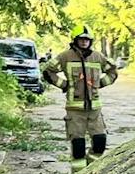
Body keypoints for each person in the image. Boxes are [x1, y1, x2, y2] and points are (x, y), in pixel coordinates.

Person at [42, 27, 119, 162]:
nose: (84, 42)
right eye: (81, 39)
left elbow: (112, 72)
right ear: (75, 40)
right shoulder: (66, 56)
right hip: (74, 110)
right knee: (78, 146)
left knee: (100, 142)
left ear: (91, 41)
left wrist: (99, 84)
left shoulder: (97, 57)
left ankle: (91, 168)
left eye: (87, 39)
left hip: (94, 109)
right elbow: (48, 71)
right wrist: (64, 85)